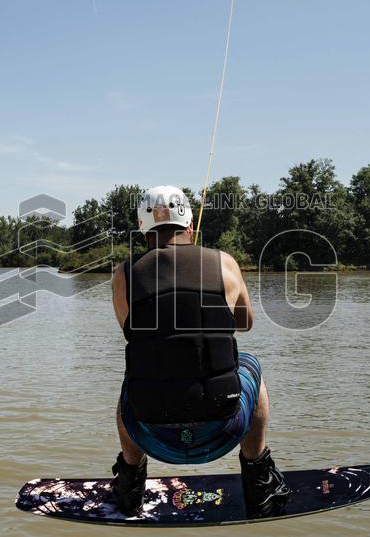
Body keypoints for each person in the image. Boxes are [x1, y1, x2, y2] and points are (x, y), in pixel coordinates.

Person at [109, 185, 289, 518]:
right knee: (250, 363)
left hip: (152, 435)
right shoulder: (225, 263)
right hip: (224, 429)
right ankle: (257, 476)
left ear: (142, 229)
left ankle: (131, 484)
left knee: (135, 372)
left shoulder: (123, 275)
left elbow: (131, 330)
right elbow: (245, 322)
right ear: (190, 225)